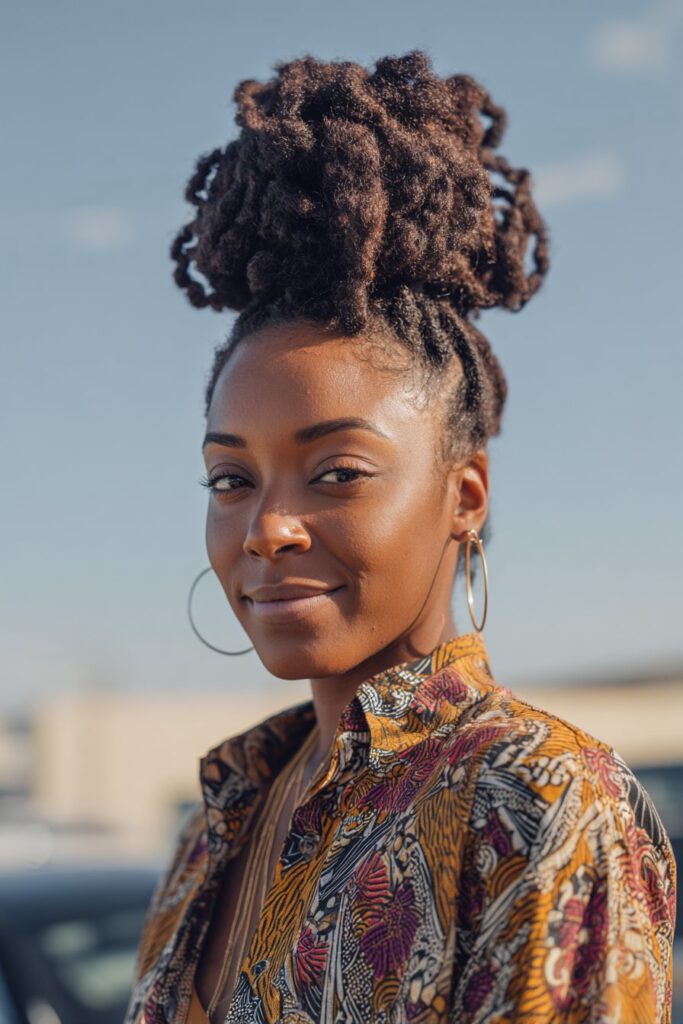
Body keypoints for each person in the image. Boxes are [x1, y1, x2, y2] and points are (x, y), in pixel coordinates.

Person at [124, 50, 676, 1024]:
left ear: (463, 494)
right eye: (230, 478)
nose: (269, 527)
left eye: (336, 471)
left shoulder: (534, 800)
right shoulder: (216, 821)